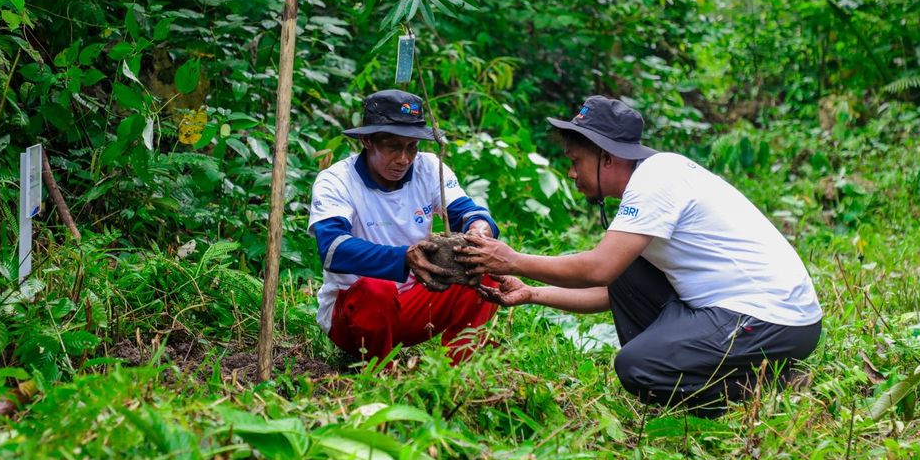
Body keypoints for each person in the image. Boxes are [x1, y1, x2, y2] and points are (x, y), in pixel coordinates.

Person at [457, 96, 822, 413]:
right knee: (627, 272)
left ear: (608, 158)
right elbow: (613, 289)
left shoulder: (657, 181)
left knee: (638, 368)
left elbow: (599, 268)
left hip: (774, 319)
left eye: (576, 161)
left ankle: (772, 386)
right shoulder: (654, 177)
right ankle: (729, 374)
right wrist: (533, 293)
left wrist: (513, 259)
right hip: (745, 313)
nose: (571, 172)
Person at [308, 89, 500, 364]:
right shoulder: (337, 180)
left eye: (412, 147)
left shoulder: (429, 168)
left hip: (415, 305)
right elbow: (333, 249)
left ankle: (457, 372)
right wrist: (403, 258)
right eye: (393, 147)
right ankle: (377, 372)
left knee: (485, 266)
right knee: (378, 289)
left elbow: (466, 211)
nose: (404, 159)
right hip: (353, 315)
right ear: (366, 140)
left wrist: (480, 230)